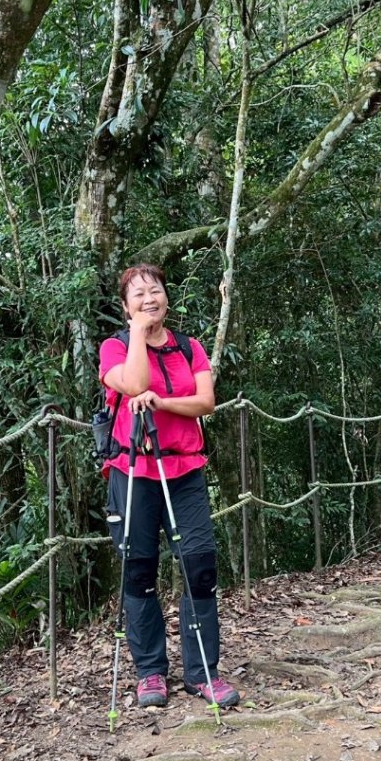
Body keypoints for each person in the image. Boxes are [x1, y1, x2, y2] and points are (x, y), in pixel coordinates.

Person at [98, 263, 240, 709]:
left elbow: (206, 402)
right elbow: (134, 382)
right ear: (125, 307)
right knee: (138, 573)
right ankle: (150, 674)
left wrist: (161, 402)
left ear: (167, 297)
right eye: (138, 295)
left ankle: (203, 672)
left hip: (185, 473)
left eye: (155, 291)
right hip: (133, 473)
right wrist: (138, 333)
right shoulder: (114, 347)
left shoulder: (189, 348)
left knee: (199, 568)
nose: (149, 299)